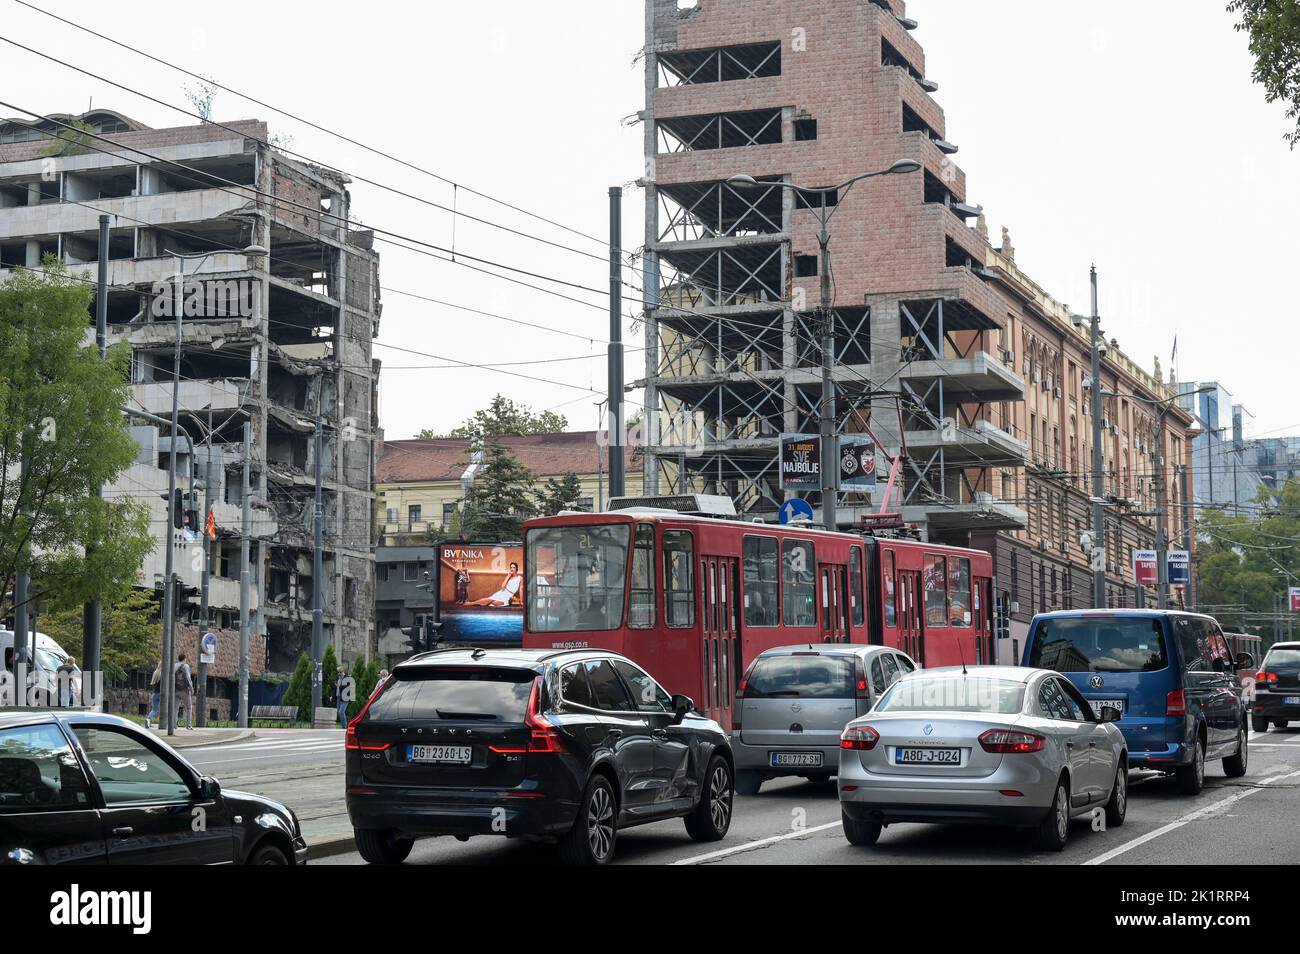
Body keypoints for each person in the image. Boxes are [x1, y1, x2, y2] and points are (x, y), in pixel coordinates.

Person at [174, 654, 194, 731]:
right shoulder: (185, 666)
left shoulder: (174, 666)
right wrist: (191, 688)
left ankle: (174, 725)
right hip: (184, 690)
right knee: (189, 708)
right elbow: (188, 678)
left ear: (178, 659)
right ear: (184, 659)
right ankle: (188, 725)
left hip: (175, 690)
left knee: (175, 708)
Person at [146, 661, 162, 729]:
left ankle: (148, 719)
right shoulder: (163, 674)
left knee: (154, 710)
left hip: (155, 694)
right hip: (161, 694)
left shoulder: (155, 673)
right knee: (166, 709)